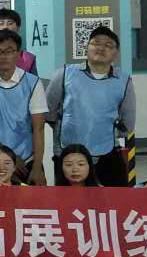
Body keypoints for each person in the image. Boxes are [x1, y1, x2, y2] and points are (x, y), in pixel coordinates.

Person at [44, 26, 135, 187]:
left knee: (116, 198)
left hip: (107, 152)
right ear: (86, 47)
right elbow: (49, 112)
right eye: (96, 43)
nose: (101, 48)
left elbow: (127, 121)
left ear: (116, 53)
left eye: (108, 45)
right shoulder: (64, 74)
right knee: (69, 200)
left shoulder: (123, 80)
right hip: (68, 153)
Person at [0, 29, 48, 186]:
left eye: (9, 51)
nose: (3, 56)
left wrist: (37, 167)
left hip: (26, 162)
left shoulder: (33, 83)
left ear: (18, 53)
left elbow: (39, 128)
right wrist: (8, 158)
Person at [0, 9, 38, 76]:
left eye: (10, 23)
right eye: (1, 23)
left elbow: (34, 81)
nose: (5, 27)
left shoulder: (29, 58)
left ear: (18, 28)